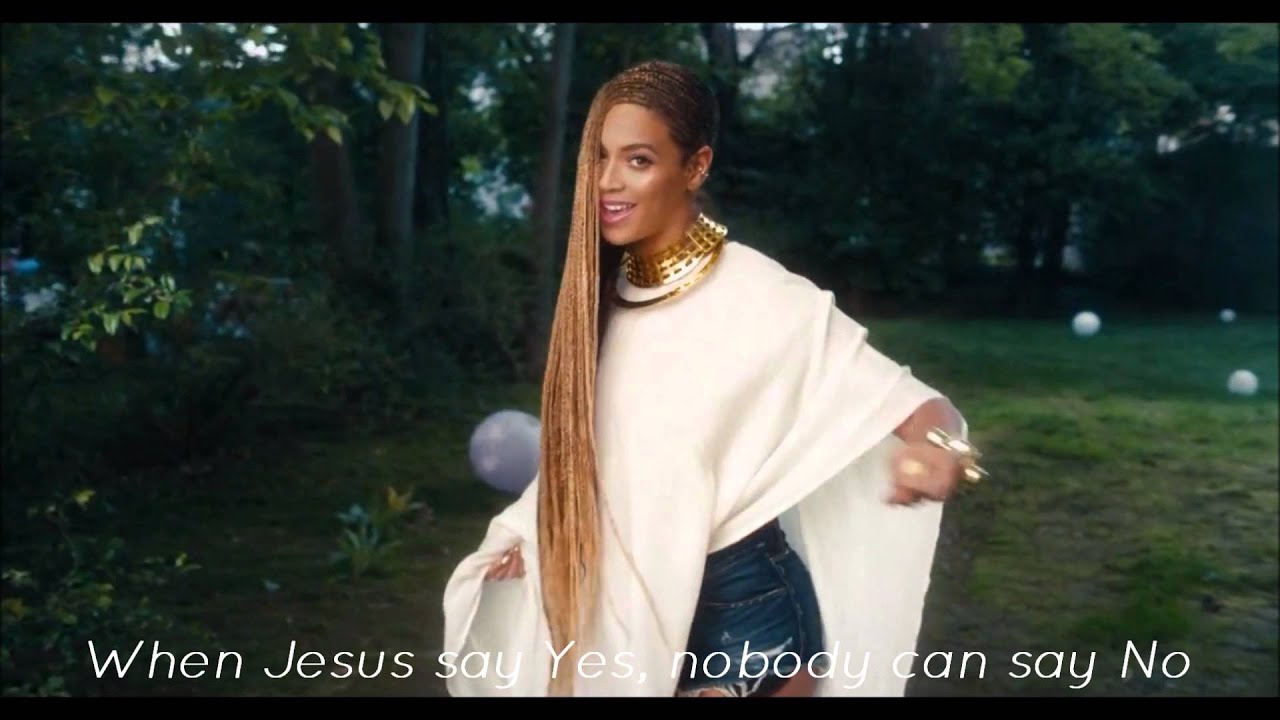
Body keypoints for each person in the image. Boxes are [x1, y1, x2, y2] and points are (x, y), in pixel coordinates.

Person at [441, 59, 984, 698]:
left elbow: (921, 407)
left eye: (638, 160)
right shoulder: (600, 302)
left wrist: (941, 449)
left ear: (695, 167)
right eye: (600, 157)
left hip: (743, 619)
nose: (608, 181)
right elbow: (610, 458)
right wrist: (534, 533)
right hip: (622, 608)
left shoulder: (762, 295)